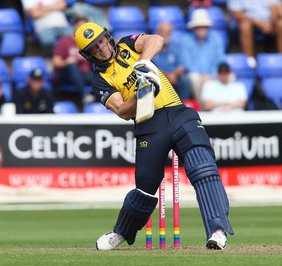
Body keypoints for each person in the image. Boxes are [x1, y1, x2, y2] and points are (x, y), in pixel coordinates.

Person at [74, 22, 233, 250]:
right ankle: (120, 232)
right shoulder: (100, 80)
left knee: (203, 167)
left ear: (107, 37)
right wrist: (143, 91)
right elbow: (120, 110)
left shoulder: (127, 44)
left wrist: (144, 64)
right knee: (145, 188)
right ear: (87, 55)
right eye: (93, 48)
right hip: (149, 125)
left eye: (100, 41)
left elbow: (156, 39)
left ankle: (217, 231)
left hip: (178, 112)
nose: (100, 48)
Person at [181, 9, 225, 102]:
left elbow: (220, 59)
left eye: (204, 26)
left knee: (230, 76)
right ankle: (203, 107)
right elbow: (186, 62)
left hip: (213, 72)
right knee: (194, 78)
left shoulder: (216, 38)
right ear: (194, 28)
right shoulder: (186, 40)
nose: (201, 29)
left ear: (208, 27)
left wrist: (212, 75)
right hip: (196, 74)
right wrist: (202, 76)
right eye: (198, 26)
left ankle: (223, 106)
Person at [228, 0, 282, 68]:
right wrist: (258, 23)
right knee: (245, 26)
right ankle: (249, 59)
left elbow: (277, 10)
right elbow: (238, 15)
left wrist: (271, 21)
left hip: (269, 23)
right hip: (249, 22)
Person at [52, 16, 93, 101]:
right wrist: (67, 62)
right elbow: (56, 62)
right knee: (72, 64)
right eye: (79, 26)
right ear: (74, 26)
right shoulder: (64, 41)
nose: (82, 29)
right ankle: (84, 95)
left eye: (85, 26)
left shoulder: (90, 44)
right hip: (67, 76)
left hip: (85, 75)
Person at [153, 21, 191, 100]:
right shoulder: (152, 47)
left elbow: (183, 65)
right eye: (163, 32)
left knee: (185, 79)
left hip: (174, 77)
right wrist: (166, 75)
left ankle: (183, 105)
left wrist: (174, 74)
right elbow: (149, 66)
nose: (165, 34)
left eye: (168, 32)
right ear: (157, 32)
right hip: (157, 76)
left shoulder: (175, 47)